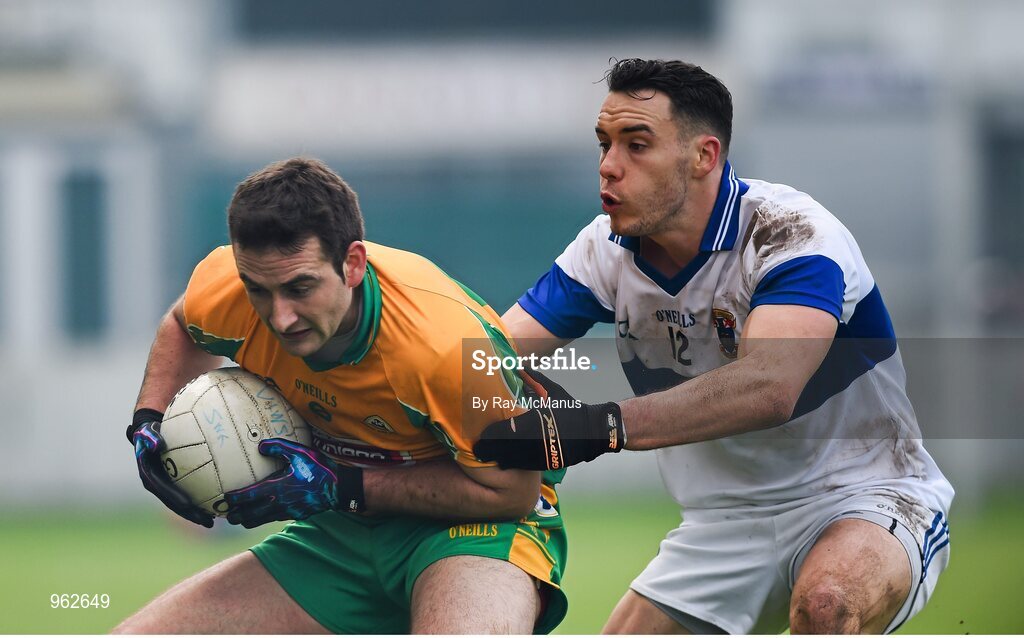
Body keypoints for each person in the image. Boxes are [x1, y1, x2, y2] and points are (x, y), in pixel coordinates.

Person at [474, 59, 953, 634]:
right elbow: (488, 358)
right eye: (604, 143)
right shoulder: (601, 250)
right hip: (721, 526)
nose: (608, 166)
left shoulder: (792, 238)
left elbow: (769, 386)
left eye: (637, 144)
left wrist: (597, 425)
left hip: (861, 496)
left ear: (704, 156)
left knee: (828, 605)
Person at [118, 157, 568, 634]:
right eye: (259, 290)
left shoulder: (444, 347)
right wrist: (148, 418)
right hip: (344, 532)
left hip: (476, 531)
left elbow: (512, 492)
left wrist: (342, 485)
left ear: (352, 264)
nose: (280, 317)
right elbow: (183, 324)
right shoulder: (229, 286)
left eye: (300, 288)